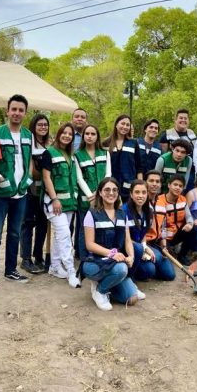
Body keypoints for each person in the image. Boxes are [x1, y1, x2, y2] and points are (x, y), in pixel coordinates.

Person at [0, 94, 33, 288]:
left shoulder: (28, 135)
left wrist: (27, 180)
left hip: (21, 194)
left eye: (20, 110)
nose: (17, 113)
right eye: (13, 109)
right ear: (7, 111)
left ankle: (10, 270)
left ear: (25, 113)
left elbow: (29, 161)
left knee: (14, 233)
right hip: (0, 195)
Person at [81, 178, 141, 311]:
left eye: (114, 190)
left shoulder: (122, 214)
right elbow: (89, 245)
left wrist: (130, 256)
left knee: (132, 299)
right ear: (100, 193)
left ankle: (110, 284)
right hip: (94, 262)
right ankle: (100, 290)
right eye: (107, 190)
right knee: (121, 269)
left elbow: (127, 240)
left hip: (115, 262)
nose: (111, 193)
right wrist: (112, 254)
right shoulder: (92, 214)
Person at [41, 123, 80, 288]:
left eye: (70, 134)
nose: (67, 136)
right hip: (54, 203)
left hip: (69, 202)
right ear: (58, 134)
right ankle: (71, 271)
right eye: (64, 133)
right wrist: (54, 198)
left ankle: (55, 267)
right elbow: (46, 178)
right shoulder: (48, 153)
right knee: (64, 234)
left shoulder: (71, 155)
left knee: (60, 236)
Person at [74, 124, 111, 258]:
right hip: (86, 199)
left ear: (97, 137)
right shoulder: (77, 155)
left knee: (100, 226)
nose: (90, 136)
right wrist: (91, 195)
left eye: (93, 134)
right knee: (84, 228)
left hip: (103, 196)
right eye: (87, 134)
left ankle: (97, 254)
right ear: (83, 136)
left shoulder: (105, 153)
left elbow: (108, 174)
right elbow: (79, 178)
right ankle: (83, 256)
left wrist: (99, 192)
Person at [21, 114, 51, 274]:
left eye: (45, 124)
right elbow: (31, 171)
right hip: (29, 190)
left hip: (44, 192)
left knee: (42, 225)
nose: (43, 127)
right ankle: (26, 258)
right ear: (34, 125)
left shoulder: (49, 144)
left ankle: (38, 255)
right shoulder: (29, 143)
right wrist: (44, 171)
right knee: (27, 224)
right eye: (40, 124)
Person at [122, 179, 167, 281]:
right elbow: (125, 239)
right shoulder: (123, 211)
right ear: (131, 194)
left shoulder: (148, 211)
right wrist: (143, 249)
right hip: (125, 248)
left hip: (139, 247)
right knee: (149, 269)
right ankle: (130, 277)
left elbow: (143, 235)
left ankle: (140, 268)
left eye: (143, 192)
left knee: (167, 272)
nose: (140, 196)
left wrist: (145, 247)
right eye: (137, 192)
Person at [154, 175, 197, 266]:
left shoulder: (183, 199)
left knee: (194, 228)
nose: (178, 187)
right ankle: (171, 250)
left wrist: (190, 224)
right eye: (175, 185)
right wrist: (164, 242)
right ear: (169, 185)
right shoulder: (160, 200)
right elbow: (160, 224)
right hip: (163, 237)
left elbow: (189, 216)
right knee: (168, 260)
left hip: (177, 234)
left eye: (180, 186)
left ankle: (183, 256)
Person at [104, 114, 143, 201]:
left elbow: (139, 167)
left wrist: (140, 185)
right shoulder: (106, 143)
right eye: (122, 123)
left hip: (128, 186)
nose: (125, 127)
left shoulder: (133, 143)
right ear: (116, 124)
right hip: (111, 187)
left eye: (127, 125)